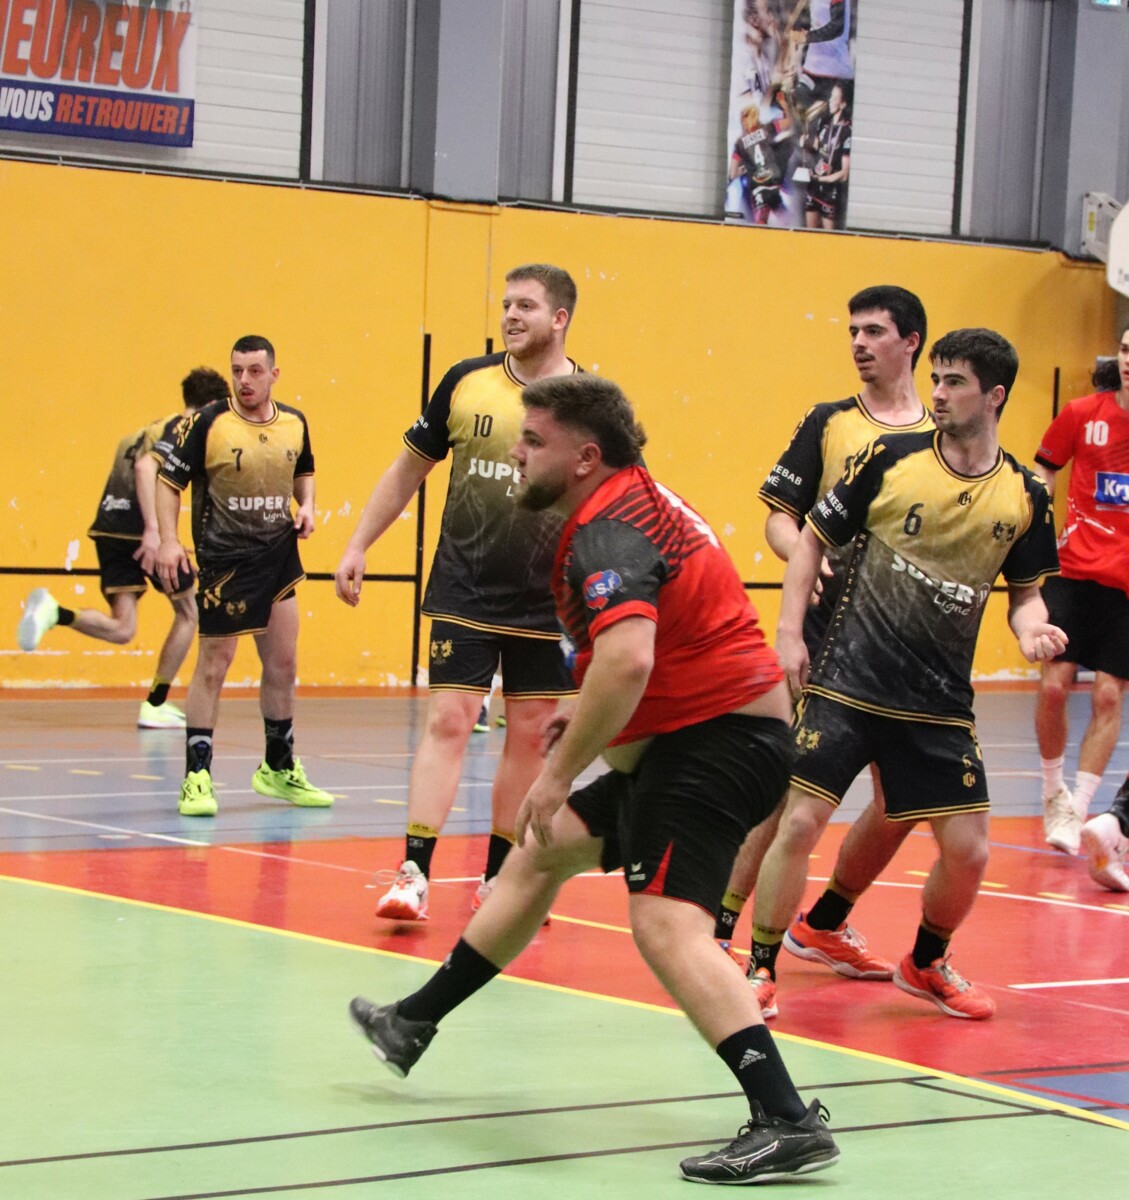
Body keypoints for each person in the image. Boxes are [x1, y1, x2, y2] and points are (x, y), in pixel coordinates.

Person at [348, 374, 839, 1184]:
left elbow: (628, 658)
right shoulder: (628, 503)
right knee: (542, 854)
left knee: (665, 927)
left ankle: (784, 1118)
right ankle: (413, 1022)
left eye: (531, 440)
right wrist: (588, 718)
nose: (515, 453)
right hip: (693, 743)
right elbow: (657, 650)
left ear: (584, 456)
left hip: (714, 749)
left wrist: (557, 773)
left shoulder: (608, 531)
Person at [760, 328, 1064, 1021]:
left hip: (937, 702)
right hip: (847, 682)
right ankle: (759, 964)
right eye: (935, 379)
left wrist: (1031, 630)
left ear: (994, 395)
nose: (938, 393)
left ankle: (925, 962)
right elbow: (810, 541)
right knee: (800, 821)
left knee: (971, 852)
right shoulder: (889, 458)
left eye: (954, 382)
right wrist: (788, 635)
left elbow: (1024, 594)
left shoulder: (1023, 494)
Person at [334, 265, 579, 920]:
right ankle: (412, 873)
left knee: (529, 736)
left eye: (526, 306)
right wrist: (358, 544)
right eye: (506, 304)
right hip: (463, 586)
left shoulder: (588, 402)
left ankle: (500, 880)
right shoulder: (466, 382)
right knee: (449, 719)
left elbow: (612, 503)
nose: (511, 315)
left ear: (559, 319)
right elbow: (407, 470)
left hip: (546, 601)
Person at [719, 286, 932, 1016]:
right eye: (852, 331)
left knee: (904, 799)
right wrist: (802, 564)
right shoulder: (830, 422)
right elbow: (780, 520)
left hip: (907, 651)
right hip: (826, 636)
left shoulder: (942, 439)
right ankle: (720, 932)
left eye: (874, 331)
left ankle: (826, 921)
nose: (859, 343)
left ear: (911, 341)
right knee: (787, 794)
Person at [154, 335, 332, 817]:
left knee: (283, 664)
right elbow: (168, 483)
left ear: (274, 374)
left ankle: (278, 766)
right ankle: (196, 777)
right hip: (224, 560)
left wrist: (307, 506)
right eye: (237, 371)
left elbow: (304, 472)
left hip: (279, 556)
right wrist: (169, 540)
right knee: (215, 664)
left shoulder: (294, 423)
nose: (244, 380)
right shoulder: (208, 423)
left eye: (254, 371)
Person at [17, 367, 231, 728]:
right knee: (190, 612)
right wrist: (155, 533)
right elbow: (146, 469)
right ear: (210, 405)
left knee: (122, 628)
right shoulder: (183, 428)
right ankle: (156, 703)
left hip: (108, 528)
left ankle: (55, 613)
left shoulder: (143, 431)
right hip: (139, 532)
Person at [1034, 328, 1129, 857]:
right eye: (1126, 349)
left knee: (1109, 695)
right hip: (1072, 570)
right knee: (1054, 686)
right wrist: (1036, 523)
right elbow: (1045, 468)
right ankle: (1054, 794)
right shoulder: (1082, 413)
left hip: (1126, 585)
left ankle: (1080, 809)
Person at [803, 81, 851, 230]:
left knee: (828, 238)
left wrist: (822, 179)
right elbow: (815, 147)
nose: (830, 101)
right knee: (809, 234)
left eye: (834, 98)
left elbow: (844, 174)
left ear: (842, 104)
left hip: (831, 192)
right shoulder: (824, 122)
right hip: (814, 187)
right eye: (830, 96)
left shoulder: (847, 131)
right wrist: (805, 142)